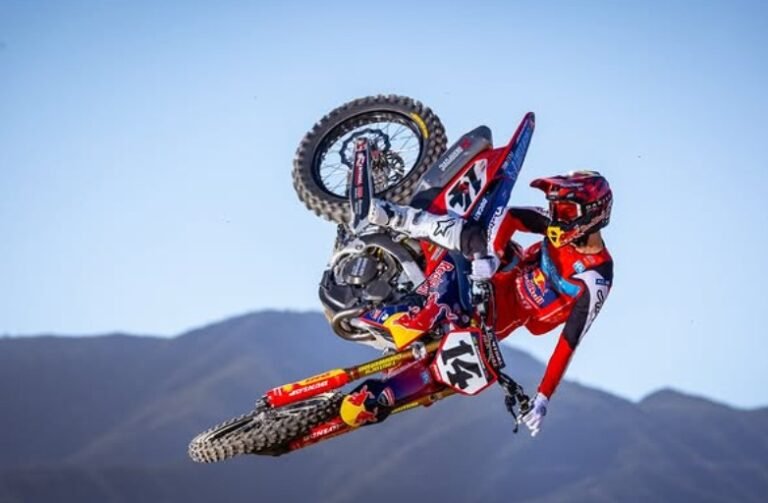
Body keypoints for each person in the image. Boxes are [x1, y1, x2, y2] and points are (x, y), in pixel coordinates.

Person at [368, 170, 614, 437]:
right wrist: (493, 256)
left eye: (565, 210)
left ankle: (385, 392)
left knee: (459, 368)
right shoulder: (557, 225)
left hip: (500, 318)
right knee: (472, 233)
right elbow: (511, 216)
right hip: (498, 274)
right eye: (555, 208)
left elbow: (569, 342)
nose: (556, 216)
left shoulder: (596, 277)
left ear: (593, 214)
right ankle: (394, 216)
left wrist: (543, 396)